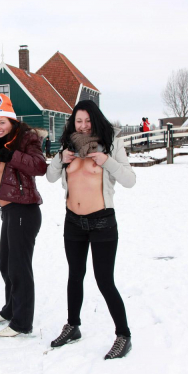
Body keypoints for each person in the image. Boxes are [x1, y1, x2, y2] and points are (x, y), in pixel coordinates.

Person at [46, 99, 137, 360]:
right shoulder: (68, 146)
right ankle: (72, 326)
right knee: (75, 275)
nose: (83, 126)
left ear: (95, 120)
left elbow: (130, 180)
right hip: (73, 222)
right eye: (79, 121)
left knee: (104, 280)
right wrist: (59, 159)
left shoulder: (112, 144)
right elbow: (50, 177)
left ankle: (124, 335)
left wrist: (107, 161)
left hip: (102, 223)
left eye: (87, 121)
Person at [0, 94, 47, 337]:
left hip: (25, 210)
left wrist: (13, 156)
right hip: (8, 211)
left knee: (19, 267)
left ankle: (22, 322)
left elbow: (40, 166)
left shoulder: (26, 140)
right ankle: (10, 309)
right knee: (6, 264)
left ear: (12, 121)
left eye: (3, 122)